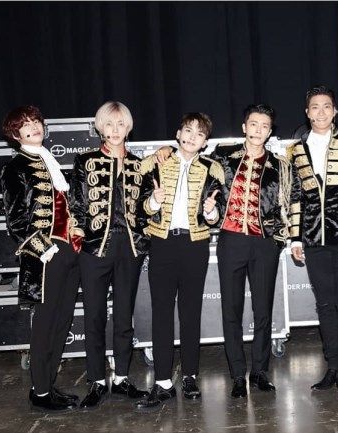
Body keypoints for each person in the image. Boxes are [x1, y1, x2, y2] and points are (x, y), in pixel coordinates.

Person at [157, 104, 291, 397]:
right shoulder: (222, 156)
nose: (258, 130)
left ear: (270, 131)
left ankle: (260, 371)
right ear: (244, 127)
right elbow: (191, 155)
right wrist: (166, 149)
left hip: (264, 243)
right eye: (253, 124)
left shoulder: (280, 165)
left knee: (263, 310)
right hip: (231, 242)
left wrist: (281, 241)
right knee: (231, 310)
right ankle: (237, 375)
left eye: (264, 126)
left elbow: (289, 203)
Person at [134, 113, 225, 409]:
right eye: (188, 130)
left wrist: (210, 211)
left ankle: (189, 376)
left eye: (199, 134)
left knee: (190, 312)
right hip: (162, 243)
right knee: (161, 311)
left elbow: (216, 216)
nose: (191, 137)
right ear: (177, 133)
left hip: (195, 244)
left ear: (205, 142)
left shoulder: (212, 169)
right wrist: (154, 201)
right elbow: (141, 208)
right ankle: (162, 382)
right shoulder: (154, 164)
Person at [0, 106, 82, 411]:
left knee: (62, 321)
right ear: (15, 133)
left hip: (69, 250)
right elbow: (16, 221)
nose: (34, 127)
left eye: (36, 121)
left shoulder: (50, 161)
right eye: (26, 124)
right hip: (46, 256)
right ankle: (40, 391)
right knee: (45, 324)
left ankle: (49, 385)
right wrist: (44, 250)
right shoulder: (15, 168)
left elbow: (65, 207)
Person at [70, 101, 151, 408]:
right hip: (94, 249)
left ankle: (122, 378)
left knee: (123, 317)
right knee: (93, 316)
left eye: (120, 124)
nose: (114, 130)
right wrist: (80, 239)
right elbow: (76, 203)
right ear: (99, 128)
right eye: (108, 124)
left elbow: (145, 209)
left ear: (128, 127)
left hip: (129, 248)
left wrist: (143, 236)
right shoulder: (85, 161)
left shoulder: (139, 165)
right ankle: (95, 380)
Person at [288, 85, 338, 396]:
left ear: (335, 111)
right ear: (307, 113)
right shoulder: (296, 150)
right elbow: (296, 196)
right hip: (313, 237)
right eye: (315, 107)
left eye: (326, 106)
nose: (320, 112)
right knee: (324, 304)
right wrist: (295, 238)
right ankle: (332, 365)